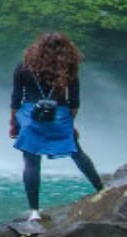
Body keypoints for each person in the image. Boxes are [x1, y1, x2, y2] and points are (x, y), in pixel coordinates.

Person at [9, 31, 104, 222]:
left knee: (31, 161)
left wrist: (14, 122)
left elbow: (16, 98)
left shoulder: (23, 66)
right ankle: (102, 190)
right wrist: (69, 124)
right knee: (77, 153)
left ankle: (34, 211)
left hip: (30, 115)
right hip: (59, 114)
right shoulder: (68, 68)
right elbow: (74, 101)